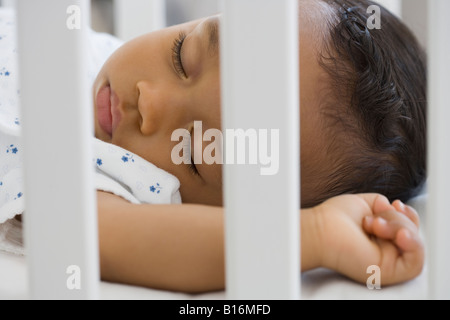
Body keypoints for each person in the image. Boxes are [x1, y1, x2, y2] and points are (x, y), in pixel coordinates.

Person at [0, 0, 426, 293]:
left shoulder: (117, 181)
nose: (150, 102)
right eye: (182, 56)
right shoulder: (85, 48)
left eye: (194, 156)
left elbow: (103, 238)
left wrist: (315, 234)